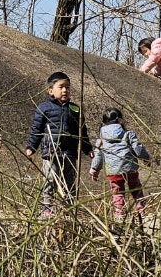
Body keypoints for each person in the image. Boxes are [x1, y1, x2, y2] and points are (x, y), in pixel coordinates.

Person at [24, 71, 92, 218]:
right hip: (51, 152)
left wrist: (88, 148)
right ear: (50, 90)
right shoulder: (44, 108)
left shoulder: (75, 109)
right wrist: (31, 147)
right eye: (61, 87)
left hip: (69, 153)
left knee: (70, 182)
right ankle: (47, 208)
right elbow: (37, 130)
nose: (65, 90)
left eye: (67, 87)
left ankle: (68, 209)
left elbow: (82, 131)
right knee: (49, 180)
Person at [90, 107, 151, 224]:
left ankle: (119, 214)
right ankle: (142, 212)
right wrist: (146, 159)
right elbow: (138, 148)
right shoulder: (129, 134)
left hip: (113, 172)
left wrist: (94, 169)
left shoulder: (101, 139)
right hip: (130, 169)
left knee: (117, 193)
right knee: (136, 189)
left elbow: (98, 155)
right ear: (120, 121)